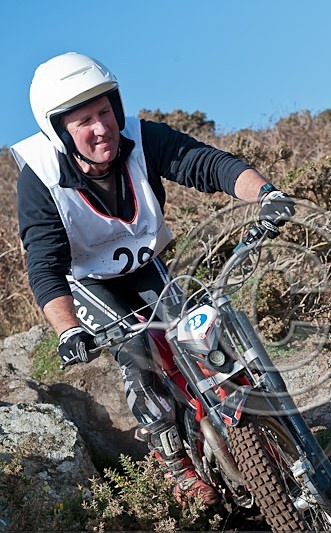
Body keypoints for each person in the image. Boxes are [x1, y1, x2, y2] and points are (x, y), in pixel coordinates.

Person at [11, 52, 295, 506]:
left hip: (145, 264)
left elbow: (207, 164)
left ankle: (254, 420)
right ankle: (175, 466)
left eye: (105, 111)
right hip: (88, 279)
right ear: (60, 130)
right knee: (135, 353)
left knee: (200, 332)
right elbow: (43, 266)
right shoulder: (40, 178)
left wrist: (265, 193)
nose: (101, 127)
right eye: (84, 120)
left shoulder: (142, 138)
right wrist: (68, 331)